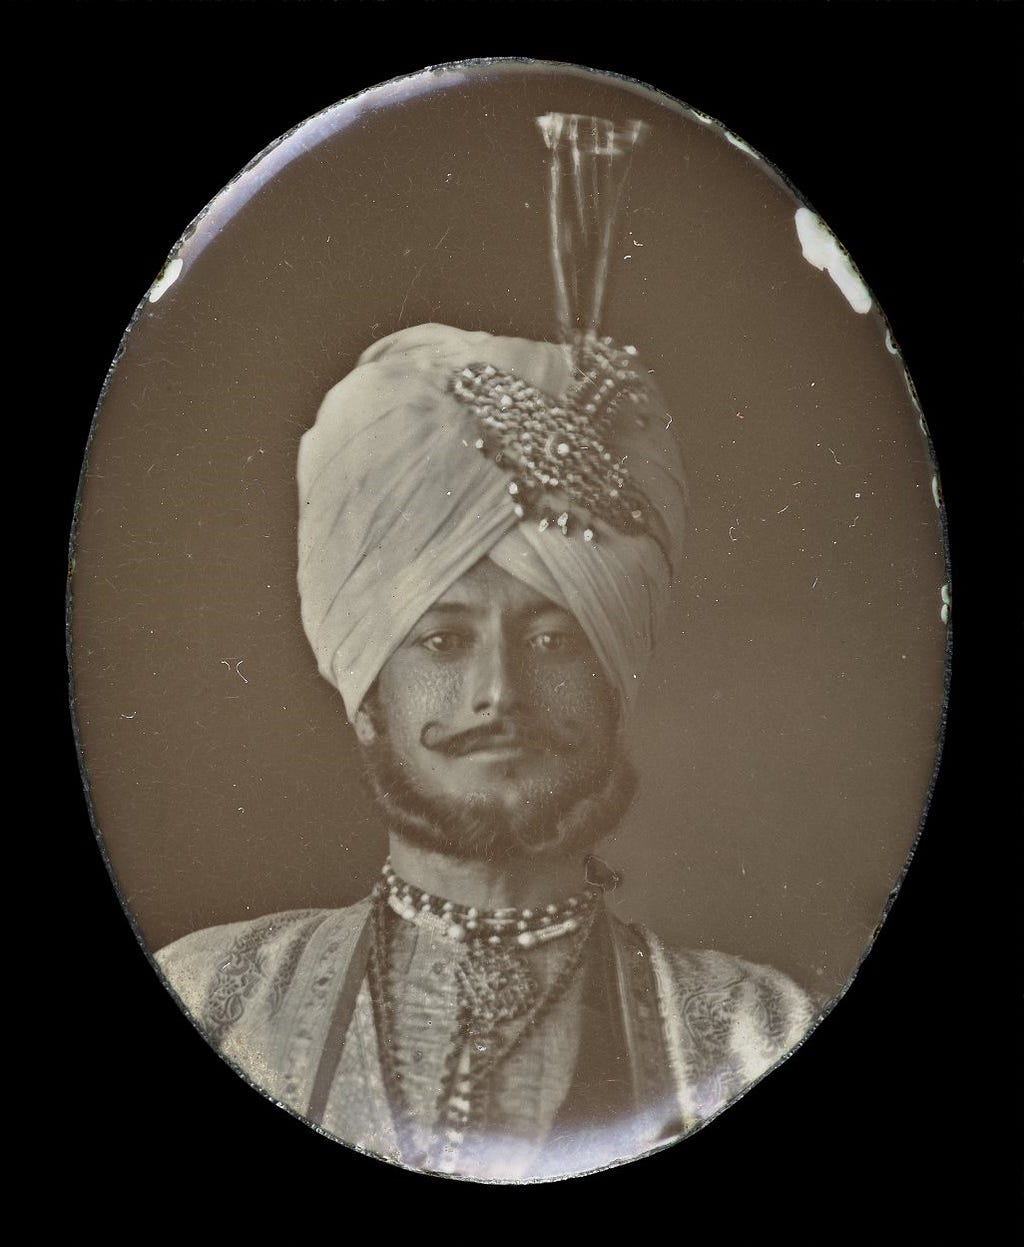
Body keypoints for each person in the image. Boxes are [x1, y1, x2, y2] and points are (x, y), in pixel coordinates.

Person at [156, 114, 816, 1183]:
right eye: (442, 636)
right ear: (365, 683)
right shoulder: (212, 1001)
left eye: (554, 634)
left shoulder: (754, 1039)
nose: (498, 690)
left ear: (614, 672)